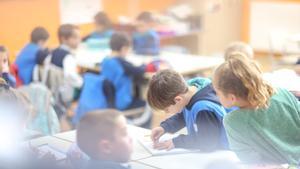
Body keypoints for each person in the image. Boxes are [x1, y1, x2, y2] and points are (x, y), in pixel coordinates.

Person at [213, 53, 300, 164]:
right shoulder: (282, 93)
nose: (216, 96)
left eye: (217, 92)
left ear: (232, 98)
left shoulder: (233, 121)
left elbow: (250, 160)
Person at [147, 69, 228, 151]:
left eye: (167, 109)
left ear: (178, 100)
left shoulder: (203, 109)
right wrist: (164, 127)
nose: (166, 112)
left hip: (223, 153)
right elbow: (184, 116)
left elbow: (207, 142)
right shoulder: (189, 92)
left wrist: (177, 142)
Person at [101, 32, 146, 111]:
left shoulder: (105, 60)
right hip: (122, 103)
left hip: (108, 102)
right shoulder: (122, 63)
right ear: (123, 48)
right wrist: (144, 65)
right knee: (147, 105)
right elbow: (140, 70)